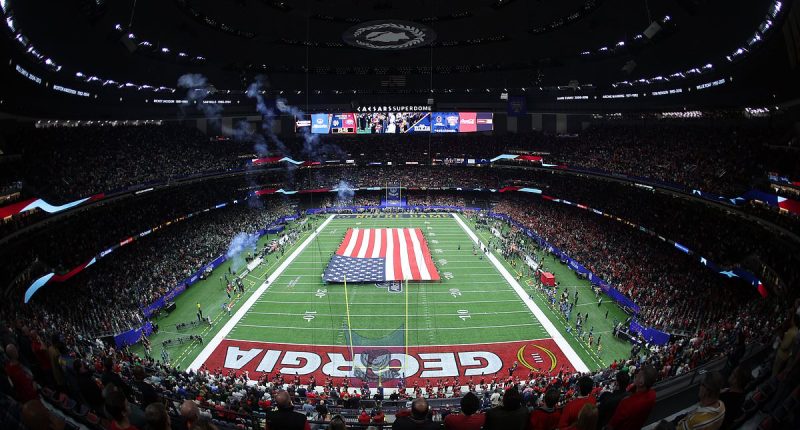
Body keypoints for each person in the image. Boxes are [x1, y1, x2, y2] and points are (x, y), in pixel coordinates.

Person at [658, 372, 726, 430]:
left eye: (701, 384)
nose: (699, 387)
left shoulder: (696, 421)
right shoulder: (722, 406)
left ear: (706, 390)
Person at [607, 366, 657, 430]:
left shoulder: (627, 403)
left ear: (641, 383)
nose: (636, 375)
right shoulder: (652, 394)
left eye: (638, 375)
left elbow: (611, 425)